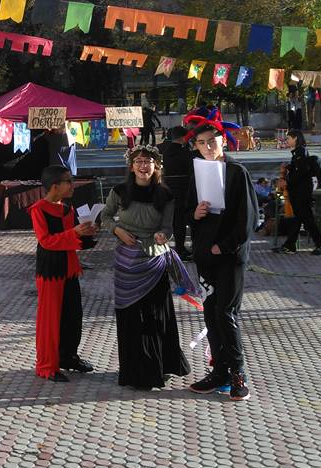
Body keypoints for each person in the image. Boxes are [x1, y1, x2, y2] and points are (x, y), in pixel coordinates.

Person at [102, 146, 198, 389]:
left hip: (154, 263)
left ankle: (158, 366)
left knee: (155, 317)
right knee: (131, 317)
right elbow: (105, 217)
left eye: (149, 162)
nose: (144, 166)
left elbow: (168, 227)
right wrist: (117, 230)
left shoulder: (165, 195)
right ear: (132, 166)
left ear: (157, 167)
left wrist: (162, 235)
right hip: (126, 261)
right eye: (139, 161)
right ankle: (134, 370)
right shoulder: (119, 191)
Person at [187, 122, 258, 401]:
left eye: (212, 141)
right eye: (202, 143)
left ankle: (238, 374)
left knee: (225, 314)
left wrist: (224, 246)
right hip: (206, 257)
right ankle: (219, 372)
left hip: (230, 257)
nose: (207, 147)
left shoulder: (237, 172)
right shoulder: (198, 173)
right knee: (210, 314)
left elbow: (248, 220)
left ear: (223, 142)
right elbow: (185, 213)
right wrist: (195, 213)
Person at [29, 164, 98, 381]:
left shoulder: (67, 210)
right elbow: (46, 241)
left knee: (72, 317)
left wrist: (87, 234)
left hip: (70, 268)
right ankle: (47, 366)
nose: (72, 185)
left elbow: (73, 241)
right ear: (55, 186)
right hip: (50, 270)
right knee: (50, 320)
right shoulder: (38, 209)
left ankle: (68, 357)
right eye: (69, 181)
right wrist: (74, 233)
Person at [275, 129, 321, 255]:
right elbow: (298, 168)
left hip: (302, 192)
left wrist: (287, 182)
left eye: (289, 138)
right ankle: (290, 246)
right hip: (299, 192)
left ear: (295, 139)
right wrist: (289, 167)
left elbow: (302, 172)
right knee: (298, 219)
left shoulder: (300, 151)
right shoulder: (297, 153)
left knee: (306, 219)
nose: (287, 141)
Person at [158, 125, 194, 260]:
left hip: (166, 188)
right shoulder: (186, 152)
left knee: (170, 220)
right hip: (183, 189)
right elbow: (191, 171)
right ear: (184, 138)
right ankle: (180, 248)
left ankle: (167, 247)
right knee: (180, 221)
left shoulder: (163, 150)